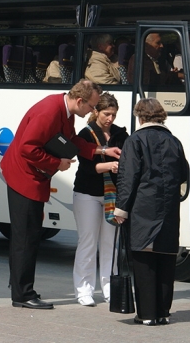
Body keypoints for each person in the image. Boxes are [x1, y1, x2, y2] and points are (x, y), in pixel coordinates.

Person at [0, 79, 122, 310]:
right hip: (24, 178)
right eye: (92, 106)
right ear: (79, 101)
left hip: (31, 178)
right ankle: (23, 294)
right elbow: (28, 148)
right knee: (26, 237)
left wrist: (101, 149)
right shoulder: (49, 111)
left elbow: (72, 140)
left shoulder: (63, 109)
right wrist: (57, 162)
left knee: (28, 236)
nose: (92, 111)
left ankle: (20, 286)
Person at [113, 98, 189, 326]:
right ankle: (163, 312)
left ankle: (146, 314)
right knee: (166, 261)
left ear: (140, 117)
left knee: (144, 261)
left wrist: (121, 209)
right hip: (168, 209)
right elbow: (184, 173)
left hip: (143, 209)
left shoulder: (135, 140)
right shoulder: (173, 141)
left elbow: (128, 178)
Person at [72, 92, 128, 306]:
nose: (110, 119)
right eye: (106, 114)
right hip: (87, 193)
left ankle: (109, 288)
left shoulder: (120, 134)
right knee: (87, 241)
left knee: (109, 244)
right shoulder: (86, 134)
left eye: (113, 114)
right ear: (96, 112)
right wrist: (111, 165)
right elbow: (86, 167)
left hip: (111, 195)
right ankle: (83, 290)